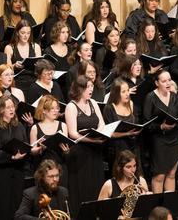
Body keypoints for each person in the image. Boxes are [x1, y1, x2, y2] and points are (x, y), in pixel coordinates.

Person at [65, 75, 106, 214]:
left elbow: (101, 123)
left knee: (96, 184)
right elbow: (72, 133)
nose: (91, 90)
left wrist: (100, 134)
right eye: (88, 87)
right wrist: (91, 140)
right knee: (82, 186)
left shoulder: (93, 103)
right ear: (79, 88)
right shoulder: (71, 106)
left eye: (92, 87)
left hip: (96, 150)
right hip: (80, 152)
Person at [143, 70, 178, 193]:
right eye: (164, 81)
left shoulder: (173, 96)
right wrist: (161, 127)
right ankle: (158, 208)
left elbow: (177, 116)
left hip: (174, 138)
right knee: (160, 175)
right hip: (159, 140)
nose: (168, 83)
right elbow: (146, 124)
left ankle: (169, 205)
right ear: (157, 83)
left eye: (169, 80)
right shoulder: (150, 98)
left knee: (171, 174)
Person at [0, 95, 28, 220]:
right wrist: (12, 157)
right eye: (8, 107)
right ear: (1, 110)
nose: (12, 109)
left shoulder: (20, 126)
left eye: (13, 107)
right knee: (4, 210)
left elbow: (25, 145)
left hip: (18, 172)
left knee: (18, 208)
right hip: (2, 175)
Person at [29, 95, 69, 185]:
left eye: (57, 108)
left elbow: (66, 147)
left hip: (60, 167)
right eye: (52, 108)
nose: (56, 111)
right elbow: (32, 151)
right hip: (44, 169)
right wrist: (40, 148)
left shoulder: (63, 125)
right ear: (43, 110)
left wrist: (66, 151)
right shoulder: (35, 128)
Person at [103, 79, 141, 166]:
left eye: (128, 90)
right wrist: (126, 133)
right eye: (123, 92)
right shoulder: (109, 108)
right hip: (117, 150)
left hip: (133, 147)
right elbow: (108, 133)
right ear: (116, 94)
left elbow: (136, 124)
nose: (127, 94)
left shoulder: (131, 104)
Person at [4, 19, 42, 93]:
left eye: (28, 33)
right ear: (17, 33)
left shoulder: (36, 47)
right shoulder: (9, 48)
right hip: (18, 80)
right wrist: (14, 65)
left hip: (33, 80)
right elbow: (6, 70)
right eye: (23, 33)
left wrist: (37, 65)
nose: (26, 36)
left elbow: (40, 68)